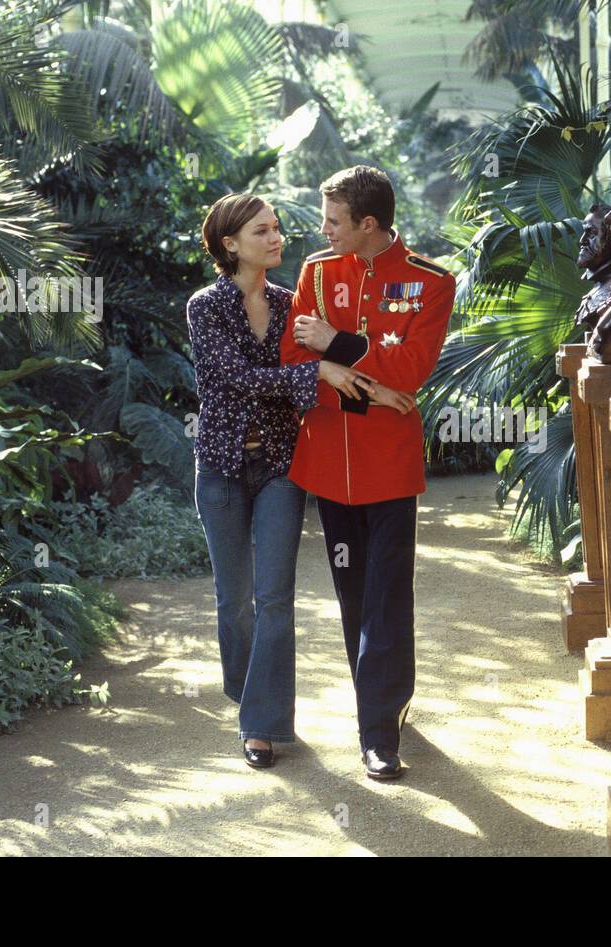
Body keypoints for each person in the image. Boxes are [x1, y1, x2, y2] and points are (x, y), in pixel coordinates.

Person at [186, 192, 412, 769]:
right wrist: (319, 372)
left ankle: (262, 726)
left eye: (277, 228)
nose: (277, 237)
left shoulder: (294, 303)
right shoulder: (205, 307)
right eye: (262, 231)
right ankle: (247, 692)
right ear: (230, 244)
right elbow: (233, 377)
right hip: (221, 467)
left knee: (275, 599)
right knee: (233, 602)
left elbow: (344, 355)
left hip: (282, 469)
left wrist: (361, 381)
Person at [280, 166, 456, 780]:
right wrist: (369, 389)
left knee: (385, 596)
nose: (322, 230)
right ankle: (382, 706)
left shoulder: (430, 281)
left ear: (369, 224)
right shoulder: (316, 273)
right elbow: (294, 355)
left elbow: (411, 367)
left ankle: (378, 733)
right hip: (330, 462)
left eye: (333, 220)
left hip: (388, 467)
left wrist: (339, 342)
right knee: (352, 595)